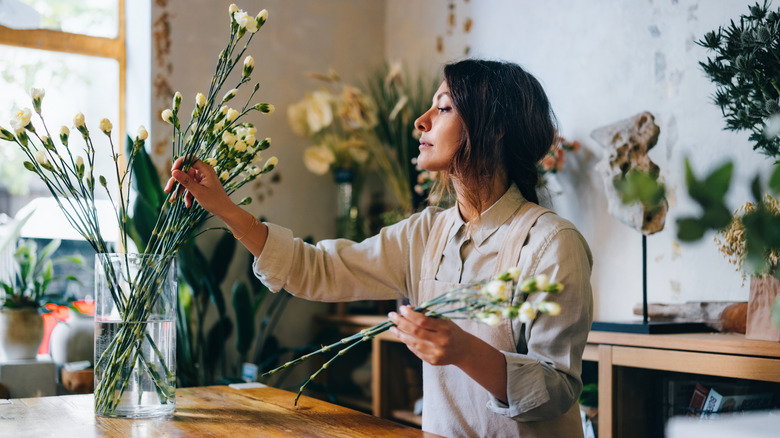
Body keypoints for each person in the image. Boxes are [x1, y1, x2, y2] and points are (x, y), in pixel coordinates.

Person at [165, 59, 593, 438]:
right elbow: (316, 269)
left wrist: (465, 351)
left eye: (443, 108)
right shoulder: (425, 234)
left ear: (495, 129)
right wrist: (223, 208)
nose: (420, 121)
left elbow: (557, 391)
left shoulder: (552, 244)